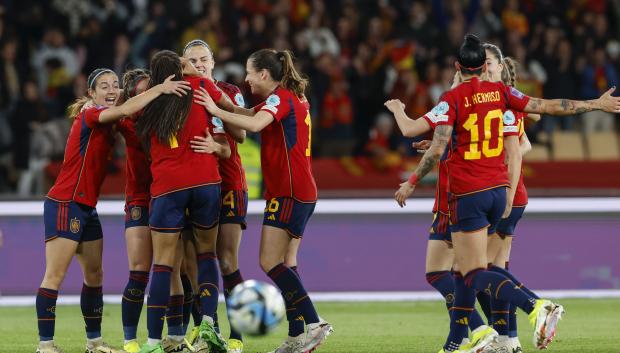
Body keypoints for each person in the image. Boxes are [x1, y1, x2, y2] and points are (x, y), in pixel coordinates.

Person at [388, 34, 620, 352]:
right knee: (470, 270)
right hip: (500, 191)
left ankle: (535, 306)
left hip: (470, 192)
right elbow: (549, 107)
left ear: (458, 66)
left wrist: (412, 181)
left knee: (471, 273)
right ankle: (468, 341)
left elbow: (437, 143)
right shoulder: (501, 93)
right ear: (483, 66)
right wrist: (597, 103)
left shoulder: (451, 98)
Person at [36, 67, 190, 353]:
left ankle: (94, 343)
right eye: (103, 86)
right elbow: (128, 108)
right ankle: (45, 345)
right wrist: (159, 89)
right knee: (54, 276)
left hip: (86, 207)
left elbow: (131, 117)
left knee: (95, 275)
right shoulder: (91, 114)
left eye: (115, 85)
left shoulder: (111, 121)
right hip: (65, 202)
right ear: (92, 94)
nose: (110, 90)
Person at [191, 49, 333, 353]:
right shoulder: (287, 99)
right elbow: (252, 115)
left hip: (289, 192)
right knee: (287, 263)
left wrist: (216, 112)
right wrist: (224, 104)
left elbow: (253, 127)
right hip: (301, 190)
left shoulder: (280, 99)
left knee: (269, 262)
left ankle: (313, 322)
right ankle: (298, 334)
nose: (246, 79)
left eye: (250, 73)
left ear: (264, 74)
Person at [134, 50, 231, 353]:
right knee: (206, 256)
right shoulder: (201, 86)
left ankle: (152, 342)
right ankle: (208, 327)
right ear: (181, 68)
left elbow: (126, 112)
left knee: (163, 265)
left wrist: (154, 89)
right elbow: (228, 110)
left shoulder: (148, 101)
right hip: (205, 181)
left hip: (167, 188)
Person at [182, 39, 248, 353]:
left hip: (229, 184)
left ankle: (237, 334)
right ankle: (210, 331)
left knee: (226, 260)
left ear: (213, 61)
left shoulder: (228, 91)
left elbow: (241, 134)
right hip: (194, 188)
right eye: (192, 60)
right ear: (184, 64)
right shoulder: (181, 93)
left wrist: (215, 103)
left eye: (203, 59)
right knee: (192, 263)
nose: (199, 64)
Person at [115, 68, 154, 353]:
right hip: (140, 199)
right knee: (139, 271)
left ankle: (176, 335)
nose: (147, 98)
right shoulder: (126, 123)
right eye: (141, 93)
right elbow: (110, 112)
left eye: (150, 91)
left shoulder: (168, 118)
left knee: (176, 272)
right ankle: (130, 341)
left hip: (170, 197)